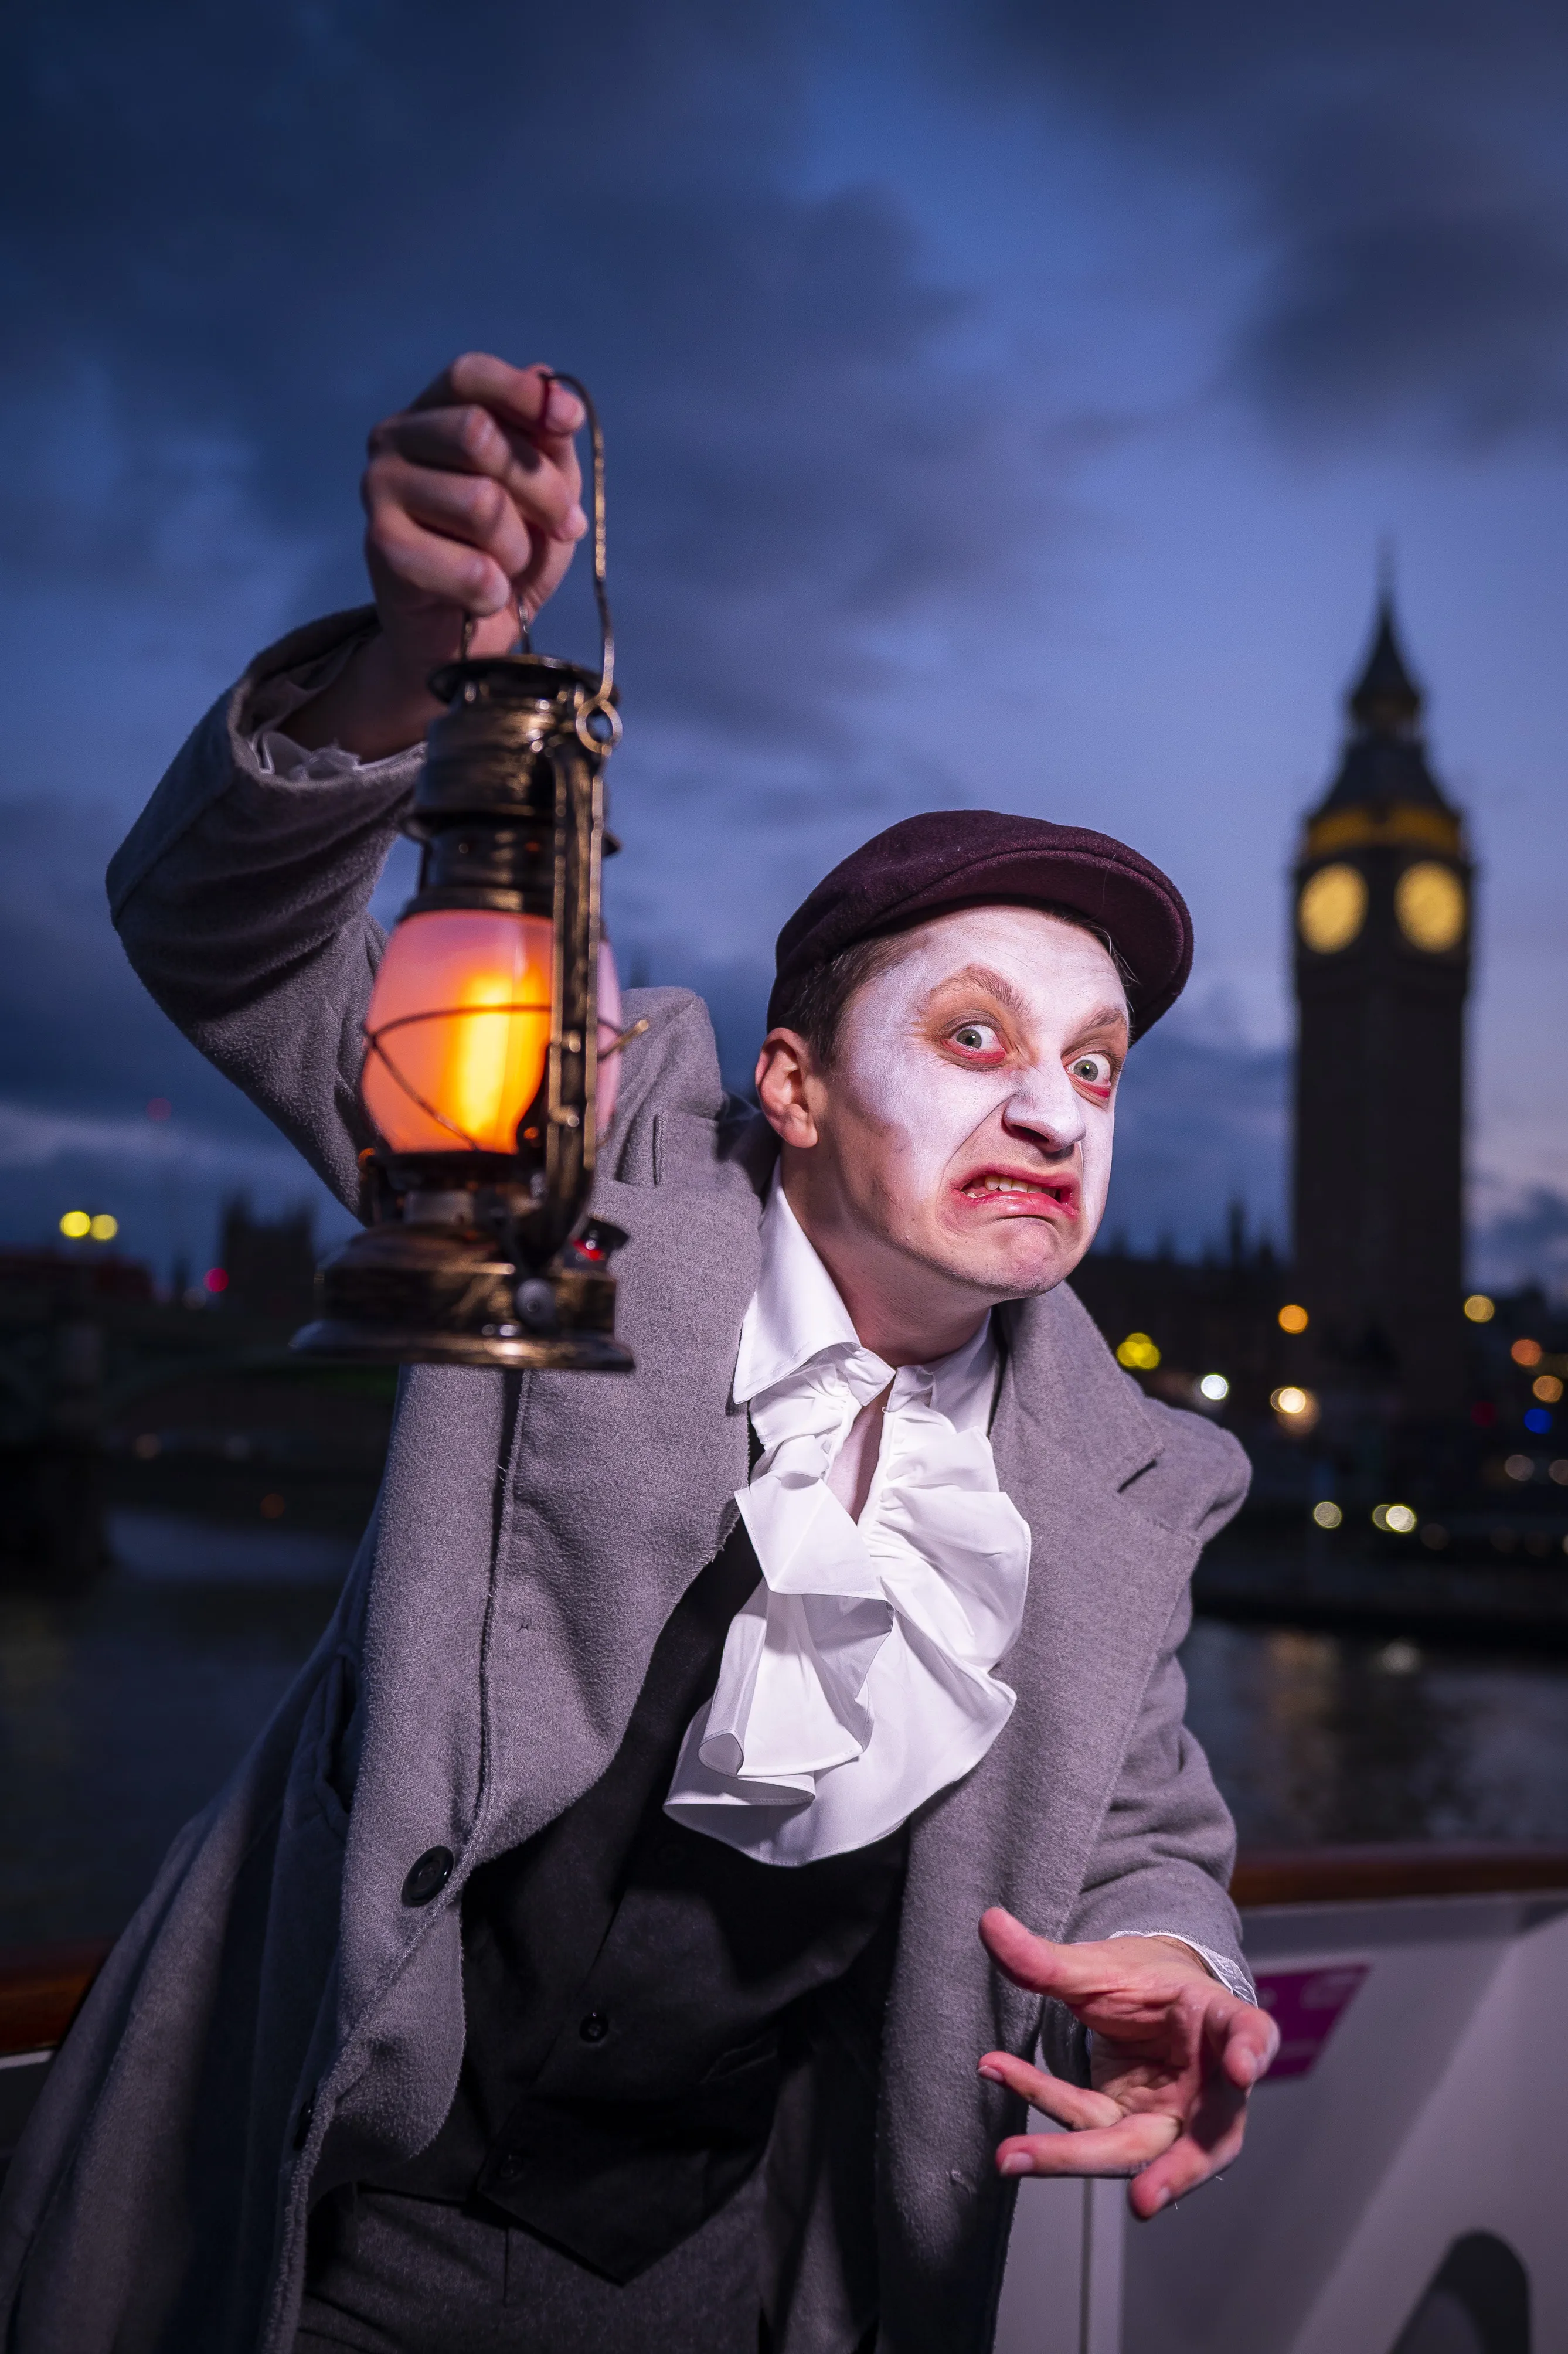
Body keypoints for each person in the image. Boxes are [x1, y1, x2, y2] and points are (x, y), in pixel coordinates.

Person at [0, 355, 1276, 2354]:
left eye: (1095, 1067)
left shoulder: (1129, 1480)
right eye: (973, 1040)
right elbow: (229, 942)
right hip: (339, 2207)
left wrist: (1170, 1962)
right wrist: (410, 668)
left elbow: (1143, 1828)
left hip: (717, 2272)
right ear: (787, 1083)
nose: (1054, 1112)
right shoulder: (571, 1151)